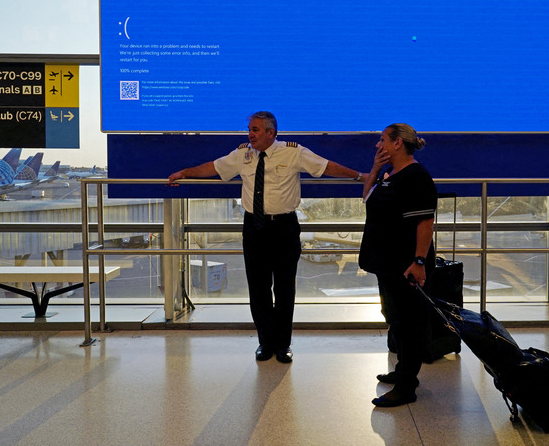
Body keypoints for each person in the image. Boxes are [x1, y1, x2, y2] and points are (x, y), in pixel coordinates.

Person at [167, 111, 363, 363]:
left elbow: (326, 167)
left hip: (284, 228)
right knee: (258, 289)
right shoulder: (243, 154)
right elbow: (213, 168)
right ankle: (265, 342)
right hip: (254, 228)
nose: (250, 134)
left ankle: (283, 344)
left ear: (271, 133)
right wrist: (183, 173)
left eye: (256, 130)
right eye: (249, 128)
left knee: (284, 288)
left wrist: (360, 176)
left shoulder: (293, 152)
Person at [358, 123, 437, 407]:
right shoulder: (392, 174)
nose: (378, 145)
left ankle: (407, 385)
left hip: (405, 264)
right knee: (395, 318)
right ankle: (403, 370)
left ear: (397, 144)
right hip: (387, 262)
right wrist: (375, 170)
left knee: (408, 322)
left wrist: (418, 261)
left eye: (382, 140)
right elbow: (367, 198)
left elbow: (425, 223)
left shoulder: (416, 177)